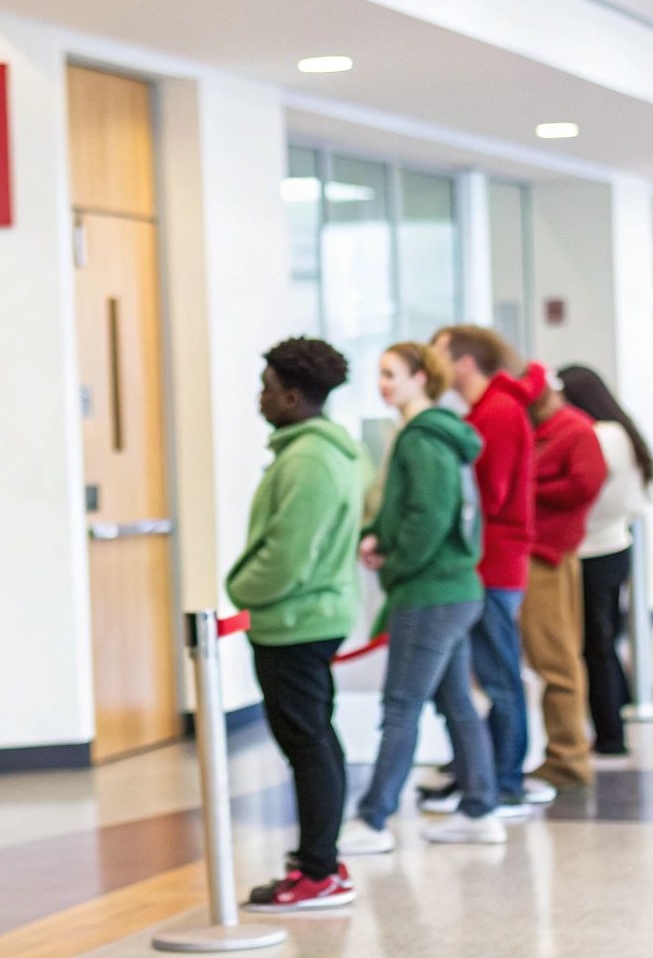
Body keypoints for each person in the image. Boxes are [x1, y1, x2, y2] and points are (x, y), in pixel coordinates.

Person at [343, 343, 504, 854]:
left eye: (392, 374)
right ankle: (479, 808)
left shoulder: (420, 438)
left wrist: (394, 560)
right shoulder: (431, 434)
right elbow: (411, 511)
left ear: (420, 379)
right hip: (452, 588)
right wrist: (379, 536)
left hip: (431, 591)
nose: (383, 384)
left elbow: (429, 517)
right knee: (456, 702)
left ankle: (373, 819)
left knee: (401, 705)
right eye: (379, 374)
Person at [227, 337, 363, 913]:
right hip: (309, 615)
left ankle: (317, 872)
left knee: (308, 744)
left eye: (265, 388)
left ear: (290, 393)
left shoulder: (309, 458)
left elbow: (288, 554)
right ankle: (321, 858)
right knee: (315, 739)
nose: (260, 399)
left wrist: (241, 589)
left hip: (296, 620)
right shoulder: (318, 451)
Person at [418, 325, 544, 818]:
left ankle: (506, 782)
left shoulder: (498, 412)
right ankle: (479, 775)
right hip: (486, 562)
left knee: (498, 677)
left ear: (465, 363)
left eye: (439, 356)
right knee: (482, 676)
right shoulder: (489, 410)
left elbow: (487, 496)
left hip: (494, 562)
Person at [556, 365, 653, 759]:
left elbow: (584, 489)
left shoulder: (599, 436)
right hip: (614, 546)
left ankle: (611, 734)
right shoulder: (621, 430)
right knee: (604, 641)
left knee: (595, 646)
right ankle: (617, 712)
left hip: (594, 549)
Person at [521, 371, 607, 791]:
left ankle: (569, 755)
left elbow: (584, 484)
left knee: (556, 659)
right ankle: (564, 751)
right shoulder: (544, 430)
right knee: (552, 658)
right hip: (536, 552)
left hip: (549, 556)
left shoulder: (574, 431)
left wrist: (527, 486)